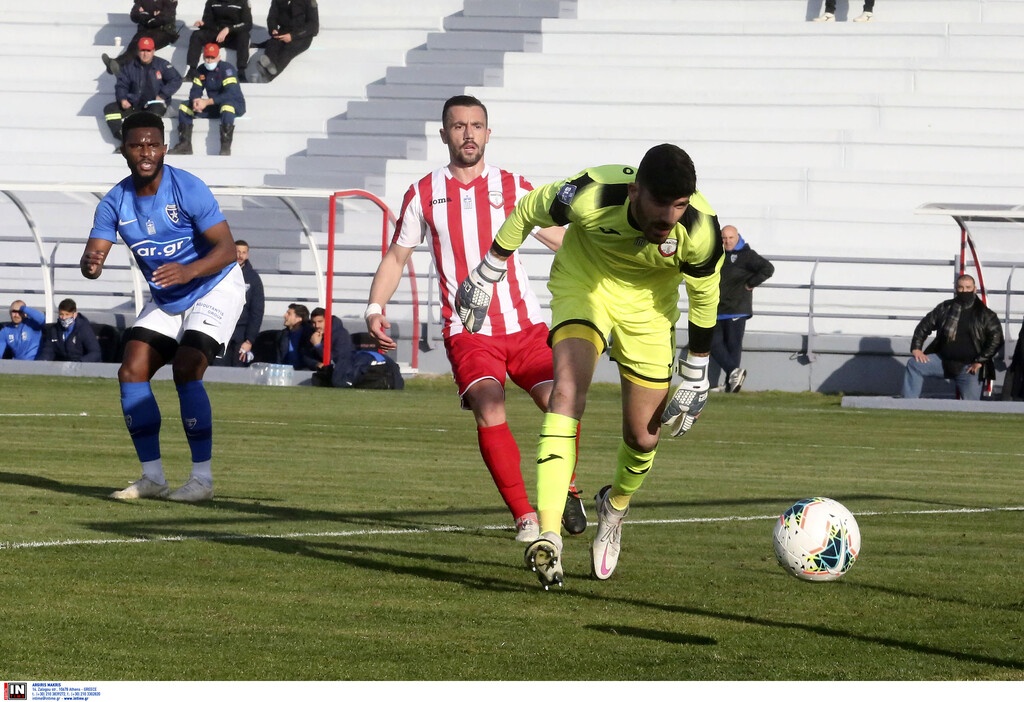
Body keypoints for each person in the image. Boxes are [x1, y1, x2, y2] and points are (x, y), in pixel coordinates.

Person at [456, 143, 724, 589]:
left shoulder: (699, 229)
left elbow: (704, 298)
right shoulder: (590, 194)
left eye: (679, 206)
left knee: (643, 434)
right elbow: (527, 210)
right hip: (586, 285)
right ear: (636, 191)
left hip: (649, 310)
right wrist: (489, 269)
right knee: (566, 393)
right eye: (661, 204)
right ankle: (548, 536)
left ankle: (614, 508)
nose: (669, 217)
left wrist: (696, 369)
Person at [364, 94, 586, 545]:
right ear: (444, 133)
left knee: (560, 403)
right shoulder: (423, 193)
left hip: (525, 328)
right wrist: (375, 308)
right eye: (459, 125)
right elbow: (396, 256)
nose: (469, 133)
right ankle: (525, 516)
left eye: (477, 125)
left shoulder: (515, 186)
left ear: (488, 132)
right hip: (469, 332)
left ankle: (566, 487)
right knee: (489, 405)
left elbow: (560, 239)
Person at [80, 110, 246, 503]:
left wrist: (189, 272)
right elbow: (94, 254)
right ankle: (152, 477)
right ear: (123, 150)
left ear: (165, 147)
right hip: (169, 295)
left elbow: (226, 250)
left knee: (187, 366)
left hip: (214, 285)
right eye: (137, 144)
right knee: (132, 369)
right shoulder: (114, 202)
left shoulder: (188, 188)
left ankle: (201, 480)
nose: (146, 151)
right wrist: (91, 265)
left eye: (153, 144)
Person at [901, 274, 1003, 401]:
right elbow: (924, 326)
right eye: (961, 288)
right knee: (914, 364)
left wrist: (980, 361)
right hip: (942, 361)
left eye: (968, 287)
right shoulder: (945, 307)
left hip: (970, 368)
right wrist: (916, 348)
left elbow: (996, 340)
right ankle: (908, 405)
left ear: (974, 289)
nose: (964, 291)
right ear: (956, 288)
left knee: (971, 409)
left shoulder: (986, 314)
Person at [710, 225, 774, 393]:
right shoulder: (718, 254)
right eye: (724, 238)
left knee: (733, 345)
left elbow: (768, 269)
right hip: (717, 308)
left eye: (730, 238)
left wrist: (750, 283)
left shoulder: (747, 255)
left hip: (737, 308)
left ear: (737, 237)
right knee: (713, 342)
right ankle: (734, 373)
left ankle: (730, 384)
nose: (727, 241)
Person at [102, 36, 182, 149]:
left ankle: (146, 143)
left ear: (153, 51)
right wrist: (123, 99)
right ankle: (125, 141)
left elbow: (176, 79)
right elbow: (121, 85)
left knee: (150, 116)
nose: (145, 54)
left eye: (148, 50)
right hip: (135, 103)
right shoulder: (129, 66)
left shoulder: (162, 65)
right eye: (142, 50)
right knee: (110, 110)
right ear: (138, 51)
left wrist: (162, 95)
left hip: (155, 104)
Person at [168, 43, 246, 156]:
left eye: (212, 57)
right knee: (184, 107)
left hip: (234, 104)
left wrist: (206, 102)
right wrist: (196, 101)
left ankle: (225, 146)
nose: (209, 61)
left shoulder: (227, 69)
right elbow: (196, 89)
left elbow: (230, 93)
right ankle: (185, 144)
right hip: (215, 106)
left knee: (227, 106)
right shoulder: (201, 70)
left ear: (218, 57)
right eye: (206, 57)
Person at [216, 239, 265, 366]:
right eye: (237, 252)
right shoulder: (220, 273)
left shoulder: (253, 278)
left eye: (243, 252)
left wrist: (249, 340)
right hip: (221, 332)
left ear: (247, 255)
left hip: (241, 335)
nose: (240, 256)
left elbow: (257, 311)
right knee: (217, 369)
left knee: (238, 371)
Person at [102, 1, 180, 76]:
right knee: (134, 45)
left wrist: (150, 17)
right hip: (145, 30)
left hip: (163, 32)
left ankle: (116, 64)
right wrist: (149, 17)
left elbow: (167, 16)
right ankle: (115, 65)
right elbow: (134, 15)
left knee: (142, 45)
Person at [183, 0, 253, 81]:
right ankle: (192, 71)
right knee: (197, 35)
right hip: (217, 35)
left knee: (244, 36)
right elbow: (208, 20)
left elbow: (247, 24)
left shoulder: (242, 2)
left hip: (234, 35)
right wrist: (203, 24)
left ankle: (241, 72)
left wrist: (229, 29)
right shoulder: (212, 2)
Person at [256, 0, 320, 82]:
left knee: (288, 49)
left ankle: (268, 74)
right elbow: (272, 17)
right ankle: (269, 65)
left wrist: (292, 36)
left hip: (302, 35)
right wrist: (273, 29)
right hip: (284, 31)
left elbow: (314, 25)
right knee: (272, 43)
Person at [35, 298, 103, 362]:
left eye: (67, 314)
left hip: (81, 366)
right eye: (61, 314)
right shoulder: (54, 330)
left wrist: (79, 363)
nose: (64, 318)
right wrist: (42, 362)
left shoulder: (84, 329)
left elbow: (95, 352)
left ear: (75, 314)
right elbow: (48, 351)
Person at [304, 307, 356, 387]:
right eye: (313, 322)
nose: (317, 325)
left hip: (339, 375)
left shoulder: (341, 335)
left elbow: (337, 359)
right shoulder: (312, 333)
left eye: (320, 322)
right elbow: (305, 356)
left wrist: (318, 346)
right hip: (319, 373)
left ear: (328, 321)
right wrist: (316, 364)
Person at [277, 303, 313, 369]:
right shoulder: (283, 335)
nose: (284, 316)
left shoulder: (309, 335)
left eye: (289, 314)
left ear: (299, 318)